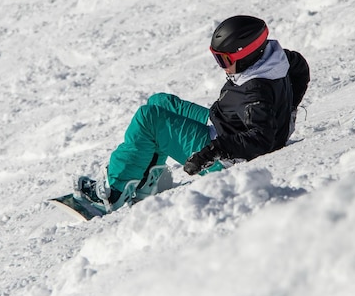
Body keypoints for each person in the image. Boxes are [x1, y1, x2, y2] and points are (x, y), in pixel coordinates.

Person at [78, 15, 310, 211]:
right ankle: (144, 182)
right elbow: (300, 68)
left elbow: (261, 140)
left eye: (224, 59)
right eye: (217, 57)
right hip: (225, 126)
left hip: (227, 158)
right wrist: (286, 111)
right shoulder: (275, 58)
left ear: (246, 54)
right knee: (159, 102)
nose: (221, 65)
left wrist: (213, 151)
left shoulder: (255, 91)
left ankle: (113, 194)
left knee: (149, 118)